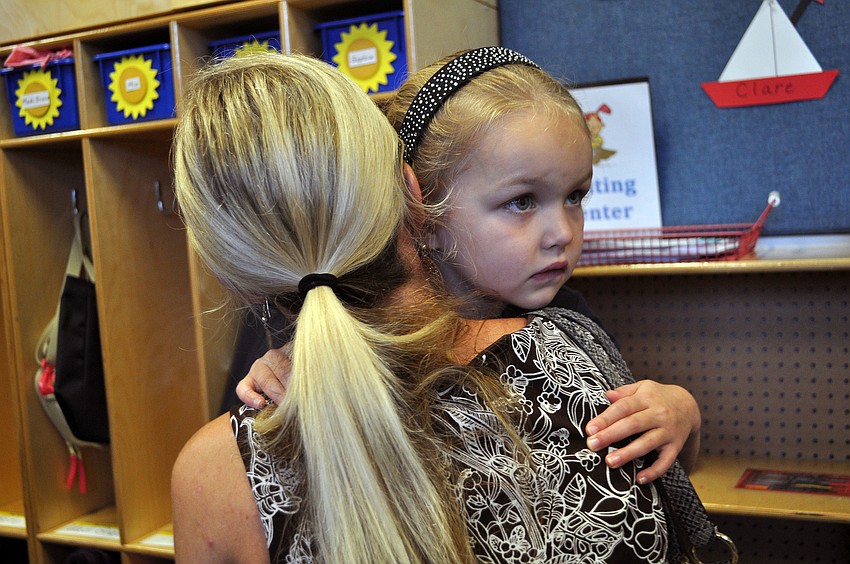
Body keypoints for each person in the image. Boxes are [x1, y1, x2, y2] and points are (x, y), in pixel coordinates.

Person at [170, 50, 674, 562]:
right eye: (521, 201)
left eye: (577, 196)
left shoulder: (215, 469)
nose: (562, 233)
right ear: (419, 202)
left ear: (232, 278)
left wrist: (677, 414)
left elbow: (653, 457)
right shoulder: (568, 352)